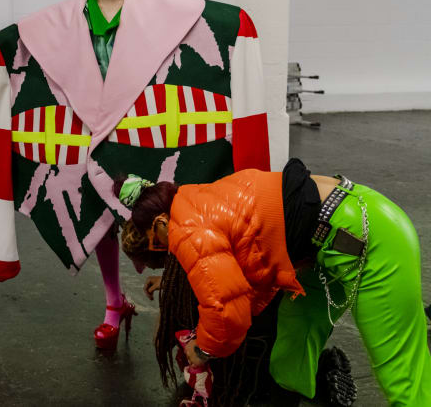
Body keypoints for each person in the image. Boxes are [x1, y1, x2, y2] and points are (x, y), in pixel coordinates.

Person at [0, 0, 270, 351]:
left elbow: (193, 19)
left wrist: (236, 29)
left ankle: (180, 307)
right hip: (91, 126)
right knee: (97, 215)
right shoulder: (75, 14)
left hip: (142, 129)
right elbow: (44, 43)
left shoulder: (159, 8)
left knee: (166, 214)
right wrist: (1, 52)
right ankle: (113, 304)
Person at [119, 160, 431, 406]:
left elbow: (228, 310)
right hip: (327, 242)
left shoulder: (185, 227)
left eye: (159, 249)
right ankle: (287, 399)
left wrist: (202, 349)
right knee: (293, 342)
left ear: (158, 226)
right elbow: (245, 276)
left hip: (372, 237)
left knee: (400, 370)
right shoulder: (197, 199)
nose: (168, 254)